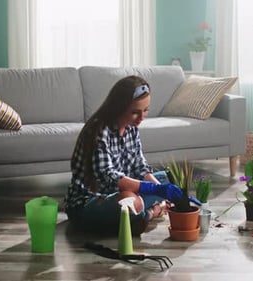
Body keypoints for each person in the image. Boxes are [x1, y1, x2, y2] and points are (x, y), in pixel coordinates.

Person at [64, 75, 185, 235]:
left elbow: (140, 167)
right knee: (130, 201)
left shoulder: (131, 128)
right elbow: (109, 176)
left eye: (146, 110)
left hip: (118, 193)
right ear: (119, 107)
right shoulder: (98, 130)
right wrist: (155, 190)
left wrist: (162, 188)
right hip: (89, 203)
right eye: (135, 112)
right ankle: (149, 213)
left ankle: (138, 215)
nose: (142, 117)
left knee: (165, 178)